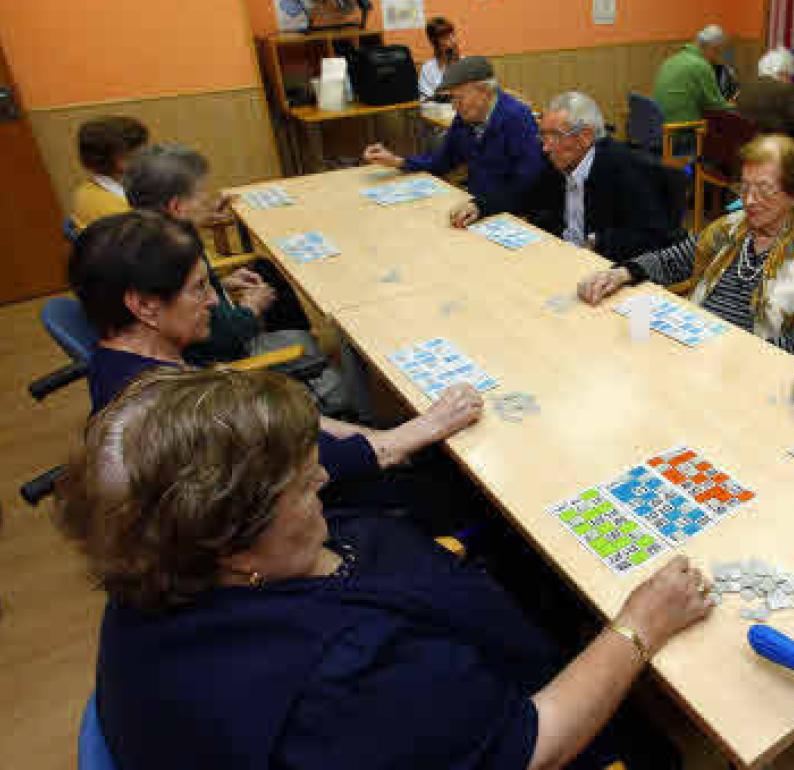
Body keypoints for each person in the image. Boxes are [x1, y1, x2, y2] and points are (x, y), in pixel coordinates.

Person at [59, 365, 713, 770]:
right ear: (232, 546)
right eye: (297, 483)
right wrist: (638, 625)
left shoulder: (153, 563)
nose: (320, 474)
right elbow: (534, 748)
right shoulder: (341, 678)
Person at [67, 210, 483, 490]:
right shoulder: (176, 411)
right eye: (199, 288)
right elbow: (313, 469)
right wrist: (421, 429)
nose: (213, 300)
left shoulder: (120, 362)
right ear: (143, 305)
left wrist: (384, 436)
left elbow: (301, 427)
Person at [577, 135, 794, 361]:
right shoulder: (734, 226)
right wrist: (622, 273)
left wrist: (753, 350)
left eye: (764, 190)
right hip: (697, 346)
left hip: (744, 364)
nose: (749, 201)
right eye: (744, 187)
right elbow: (674, 260)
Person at [124, 145, 323, 380]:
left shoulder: (155, 237)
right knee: (314, 351)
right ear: (177, 207)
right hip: (224, 364)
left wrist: (221, 282)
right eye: (200, 192)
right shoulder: (176, 256)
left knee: (263, 268)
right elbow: (219, 339)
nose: (207, 198)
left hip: (212, 341)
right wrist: (251, 309)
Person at [473, 91, 679, 263]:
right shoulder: (556, 162)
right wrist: (480, 206)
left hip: (605, 269)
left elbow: (654, 236)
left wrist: (596, 241)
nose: (545, 147)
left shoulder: (625, 169)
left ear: (586, 136)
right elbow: (522, 194)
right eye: (543, 135)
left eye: (554, 136)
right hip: (564, 257)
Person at [362, 57, 544, 228]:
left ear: (485, 92)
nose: (454, 106)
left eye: (459, 98)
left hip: (511, 216)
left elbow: (526, 184)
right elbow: (442, 161)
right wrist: (398, 161)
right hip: (475, 210)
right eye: (452, 98)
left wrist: (481, 206)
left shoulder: (517, 118)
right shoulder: (464, 118)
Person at [70, 116, 149, 229]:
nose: (149, 154)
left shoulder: (83, 191)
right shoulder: (124, 214)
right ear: (121, 159)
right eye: (143, 149)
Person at [653, 25, 732, 124]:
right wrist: (732, 106)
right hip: (683, 131)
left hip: (660, 129)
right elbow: (716, 106)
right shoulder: (701, 66)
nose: (717, 58)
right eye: (719, 52)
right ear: (713, 48)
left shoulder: (672, 59)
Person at [736, 47, 794, 136]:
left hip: (746, 138)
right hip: (775, 141)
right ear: (782, 71)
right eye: (789, 75)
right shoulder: (785, 88)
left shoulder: (746, 85)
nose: (790, 78)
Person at [418, 16, 461, 101]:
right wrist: (439, 97)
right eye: (445, 38)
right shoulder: (427, 68)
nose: (453, 41)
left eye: (453, 35)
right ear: (435, 43)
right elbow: (425, 100)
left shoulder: (466, 64)